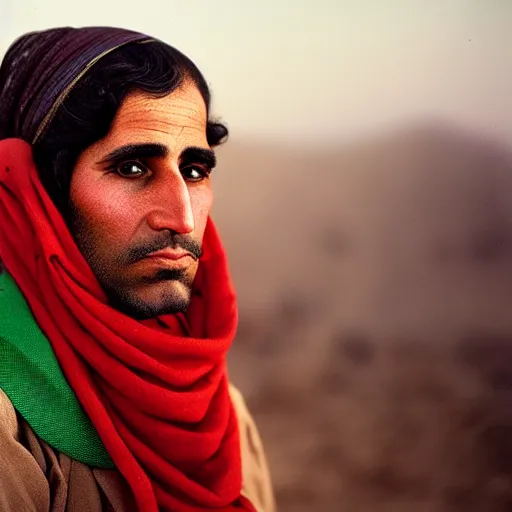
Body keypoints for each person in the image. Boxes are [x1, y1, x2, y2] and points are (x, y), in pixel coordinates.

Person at [0, 26, 275, 512]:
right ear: (40, 190)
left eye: (194, 171)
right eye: (132, 169)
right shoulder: (9, 420)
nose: (182, 218)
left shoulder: (216, 410)